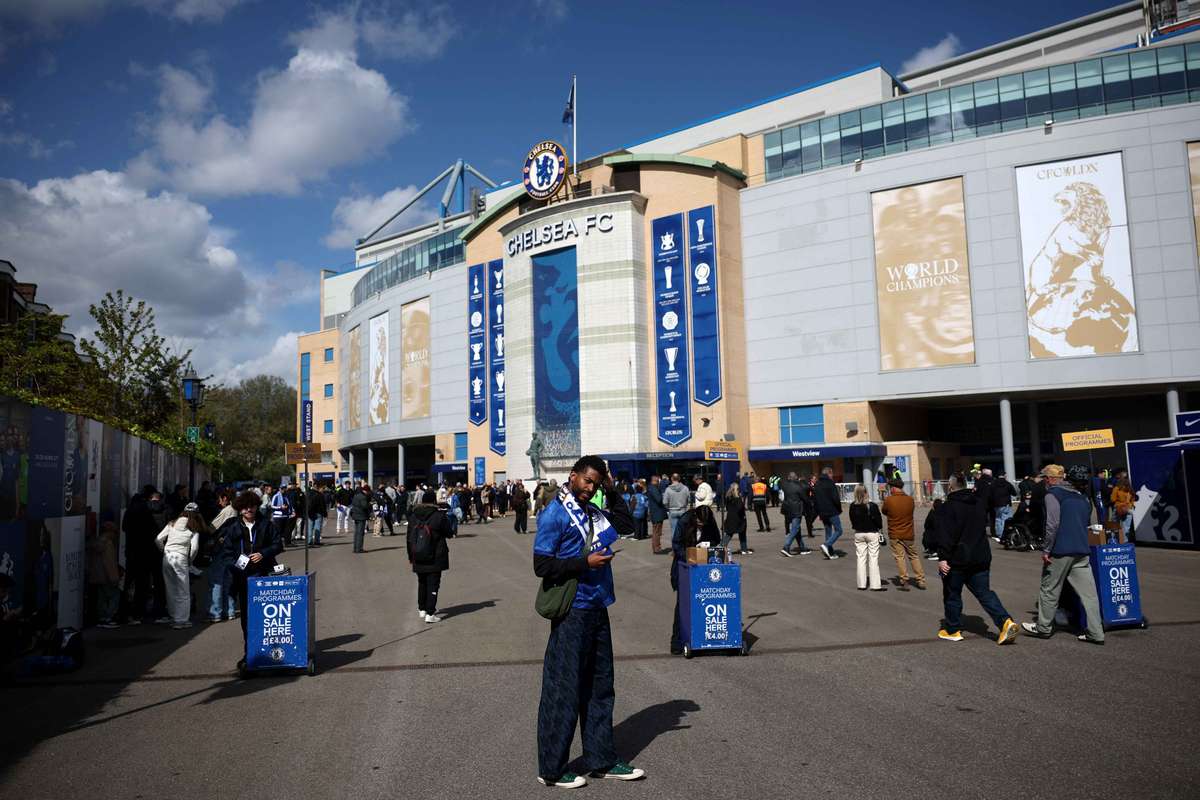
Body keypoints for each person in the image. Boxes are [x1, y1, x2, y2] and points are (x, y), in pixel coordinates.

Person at [533, 455, 642, 788]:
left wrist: (611, 488)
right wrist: (585, 563)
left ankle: (601, 759)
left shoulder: (592, 511)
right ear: (573, 476)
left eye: (596, 483)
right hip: (572, 611)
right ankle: (551, 769)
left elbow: (626, 524)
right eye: (587, 481)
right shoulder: (555, 513)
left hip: (597, 607)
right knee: (563, 689)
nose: (590, 488)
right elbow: (542, 566)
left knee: (600, 687)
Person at [930, 473, 1019, 644]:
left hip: (957, 559)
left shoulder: (948, 507)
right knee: (984, 593)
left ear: (950, 487)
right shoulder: (978, 503)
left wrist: (943, 557)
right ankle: (1005, 621)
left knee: (952, 594)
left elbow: (945, 536)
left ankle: (953, 629)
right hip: (980, 556)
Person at [1021, 465, 1106, 644]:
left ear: (1051, 479)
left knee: (1049, 589)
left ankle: (1043, 627)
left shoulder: (1053, 495)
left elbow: (1052, 524)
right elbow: (1088, 523)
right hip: (1082, 551)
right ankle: (1096, 632)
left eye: (1045, 478)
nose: (1044, 481)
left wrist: (1046, 549)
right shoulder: (1083, 498)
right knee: (1089, 595)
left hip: (1060, 551)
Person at [218, 491, 282, 656]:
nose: (248, 509)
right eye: (245, 507)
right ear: (240, 509)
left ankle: (270, 651)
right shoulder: (233, 527)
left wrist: (263, 553)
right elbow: (226, 554)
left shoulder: (266, 524)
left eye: (252, 506)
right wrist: (238, 563)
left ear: (256, 506)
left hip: (264, 575)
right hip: (242, 579)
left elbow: (278, 545)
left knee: (266, 616)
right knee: (247, 617)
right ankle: (250, 653)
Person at [670, 504, 722, 653]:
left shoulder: (709, 522)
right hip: (684, 566)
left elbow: (716, 540)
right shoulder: (685, 520)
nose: (701, 525)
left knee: (704, 602)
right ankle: (677, 642)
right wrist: (690, 555)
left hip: (703, 568)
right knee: (682, 604)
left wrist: (706, 548)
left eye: (704, 524)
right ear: (695, 517)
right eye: (699, 522)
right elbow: (676, 544)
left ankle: (703, 639)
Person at [155, 502, 205, 629]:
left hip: (167, 557)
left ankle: (173, 616)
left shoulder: (172, 523)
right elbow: (195, 548)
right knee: (183, 590)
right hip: (181, 558)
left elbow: (158, 539)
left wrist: (165, 551)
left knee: (170, 588)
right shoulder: (193, 528)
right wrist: (190, 560)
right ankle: (181, 620)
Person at [407, 489, 452, 623]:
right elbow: (449, 532)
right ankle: (430, 613)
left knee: (422, 582)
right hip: (436, 554)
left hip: (417, 553)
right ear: (434, 501)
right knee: (433, 583)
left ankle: (422, 609)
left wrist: (410, 555)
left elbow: (409, 538)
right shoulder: (438, 515)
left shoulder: (414, 516)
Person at [882, 479, 925, 590]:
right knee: (913, 556)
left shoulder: (889, 500)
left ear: (893, 488)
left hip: (894, 533)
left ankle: (904, 580)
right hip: (908, 533)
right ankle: (920, 580)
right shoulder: (910, 500)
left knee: (900, 557)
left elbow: (884, 511)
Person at [207, 489, 238, 622]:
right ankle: (230, 610)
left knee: (217, 581)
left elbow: (212, 528)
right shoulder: (237, 510)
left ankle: (215, 612)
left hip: (222, 549)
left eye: (219, 498)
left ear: (224, 498)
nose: (218, 502)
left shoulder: (227, 511)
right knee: (228, 581)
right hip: (234, 549)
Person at [849, 484, 886, 591]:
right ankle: (875, 585)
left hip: (859, 533)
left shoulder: (852, 506)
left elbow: (852, 520)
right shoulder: (872, 505)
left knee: (861, 558)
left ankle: (861, 584)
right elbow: (879, 522)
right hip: (872, 533)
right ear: (866, 492)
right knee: (873, 558)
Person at [87, 521, 121, 628]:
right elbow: (109, 562)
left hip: (97, 576)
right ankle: (109, 617)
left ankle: (102, 618)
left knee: (101, 598)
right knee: (114, 595)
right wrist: (114, 578)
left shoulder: (96, 542)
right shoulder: (108, 544)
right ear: (110, 532)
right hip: (107, 576)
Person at [779, 471, 812, 557]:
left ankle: (802, 547)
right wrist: (811, 504)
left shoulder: (785, 485)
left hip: (787, 509)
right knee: (795, 528)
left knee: (797, 530)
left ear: (789, 477)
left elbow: (782, 484)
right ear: (796, 478)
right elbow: (805, 498)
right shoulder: (798, 487)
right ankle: (786, 547)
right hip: (796, 509)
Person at [813, 467, 843, 559]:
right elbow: (836, 498)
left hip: (822, 511)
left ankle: (830, 552)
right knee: (839, 530)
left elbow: (815, 500)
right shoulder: (830, 483)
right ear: (829, 473)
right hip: (831, 510)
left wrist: (818, 512)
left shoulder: (817, 484)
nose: (832, 476)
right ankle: (826, 544)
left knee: (828, 530)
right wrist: (839, 509)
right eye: (832, 474)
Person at [721, 485, 751, 555]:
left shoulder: (728, 497)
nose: (739, 490)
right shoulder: (737, 498)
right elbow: (740, 508)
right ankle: (721, 547)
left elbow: (727, 508)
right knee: (735, 534)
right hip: (738, 518)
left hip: (731, 517)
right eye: (738, 489)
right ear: (736, 490)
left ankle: (744, 549)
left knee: (732, 533)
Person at [662, 473, 690, 545]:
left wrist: (668, 508)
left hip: (672, 510)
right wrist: (684, 505)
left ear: (671, 479)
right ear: (679, 478)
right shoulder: (685, 488)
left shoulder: (668, 489)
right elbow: (689, 500)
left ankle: (675, 548)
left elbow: (665, 502)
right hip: (683, 510)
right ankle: (683, 547)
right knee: (683, 530)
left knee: (674, 530)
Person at [990, 471, 1018, 542]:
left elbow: (990, 494)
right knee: (1006, 519)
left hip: (996, 504)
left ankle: (999, 534)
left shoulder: (993, 484)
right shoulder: (1007, 483)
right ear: (1004, 475)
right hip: (1006, 504)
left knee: (998, 519)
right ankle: (1006, 534)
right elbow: (1014, 493)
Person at [646, 475, 668, 554]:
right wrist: (662, 495)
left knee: (656, 531)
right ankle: (657, 548)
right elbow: (659, 499)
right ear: (655, 480)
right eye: (658, 480)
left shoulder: (652, 488)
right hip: (657, 513)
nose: (659, 482)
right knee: (657, 532)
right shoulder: (653, 488)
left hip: (656, 513)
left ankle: (656, 547)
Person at [1111, 474, 1135, 541]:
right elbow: (1133, 499)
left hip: (1118, 508)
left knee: (1114, 525)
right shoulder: (1130, 489)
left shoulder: (1117, 488)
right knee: (1126, 527)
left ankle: (1114, 540)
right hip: (1128, 509)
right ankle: (1125, 542)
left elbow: (1112, 499)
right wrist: (1130, 505)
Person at [350, 484, 372, 553]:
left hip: (355, 515)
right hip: (361, 516)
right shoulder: (363, 497)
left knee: (356, 533)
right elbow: (364, 506)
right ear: (366, 491)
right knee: (360, 533)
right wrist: (370, 504)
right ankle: (359, 549)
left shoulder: (355, 496)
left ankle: (355, 548)